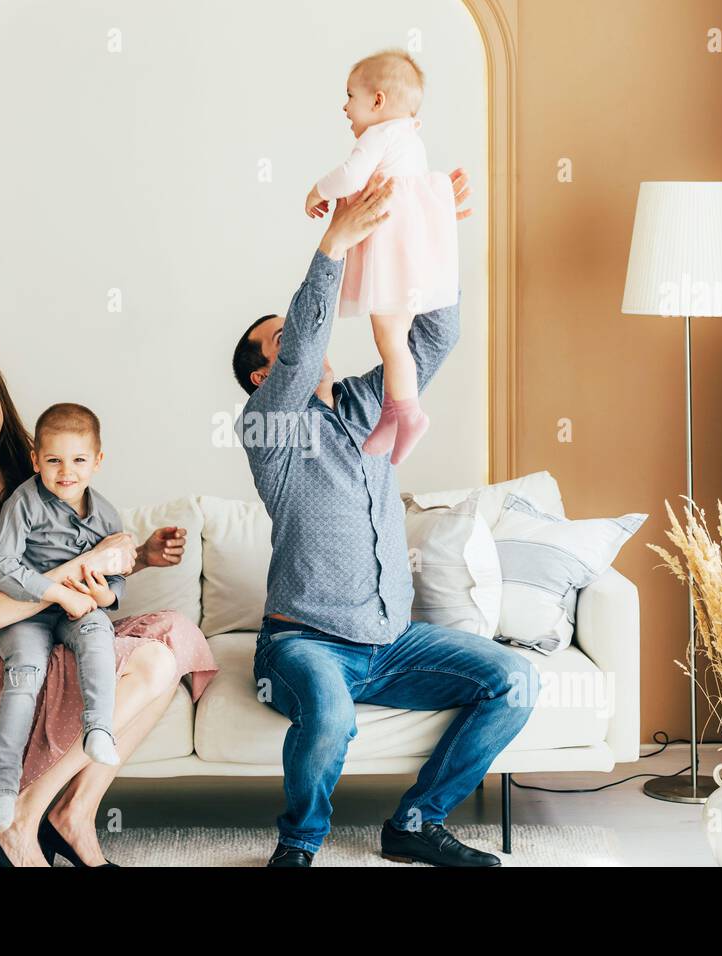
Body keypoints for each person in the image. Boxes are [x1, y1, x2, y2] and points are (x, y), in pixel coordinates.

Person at [232, 169, 540, 867]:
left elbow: (438, 331)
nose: (303, 342)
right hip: (304, 645)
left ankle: (414, 823)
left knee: (514, 679)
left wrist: (432, 229)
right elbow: (305, 348)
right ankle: (299, 844)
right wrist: (333, 244)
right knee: (332, 714)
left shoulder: (374, 404)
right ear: (261, 377)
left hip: (393, 643)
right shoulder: (268, 427)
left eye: (294, 332)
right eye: (278, 342)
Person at [0, 348, 218, 866]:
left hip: (52, 626)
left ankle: (73, 816)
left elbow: (76, 560)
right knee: (151, 662)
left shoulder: (33, 465)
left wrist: (138, 558)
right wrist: (87, 565)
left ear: (1, 398)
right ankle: (22, 817)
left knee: (174, 637)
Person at [0, 402, 131, 832]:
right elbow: (1, 566)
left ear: (97, 461)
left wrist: (107, 593)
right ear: (35, 460)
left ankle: (99, 728)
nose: (67, 471)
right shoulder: (23, 503)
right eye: (54, 460)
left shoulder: (105, 515)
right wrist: (54, 591)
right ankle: (4, 788)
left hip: (78, 608)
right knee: (25, 673)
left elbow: (116, 574)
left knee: (99, 631)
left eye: (79, 460)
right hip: (27, 612)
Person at [304, 49, 458, 464]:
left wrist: (318, 189)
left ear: (377, 101)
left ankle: (406, 414)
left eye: (349, 95)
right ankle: (392, 413)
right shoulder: (410, 138)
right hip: (412, 259)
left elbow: (351, 175)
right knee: (396, 342)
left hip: (392, 260)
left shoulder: (380, 135)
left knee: (389, 339)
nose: (344, 106)